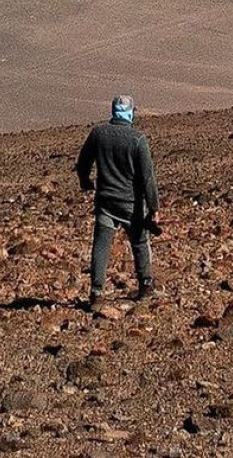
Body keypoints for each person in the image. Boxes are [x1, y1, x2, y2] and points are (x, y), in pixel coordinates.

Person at [75, 95, 160, 308]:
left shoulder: (99, 134)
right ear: (131, 113)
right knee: (140, 243)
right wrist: (154, 207)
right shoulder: (138, 139)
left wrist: (85, 181)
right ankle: (145, 286)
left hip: (106, 202)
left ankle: (96, 293)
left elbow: (83, 162)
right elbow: (147, 176)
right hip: (131, 205)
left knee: (101, 246)